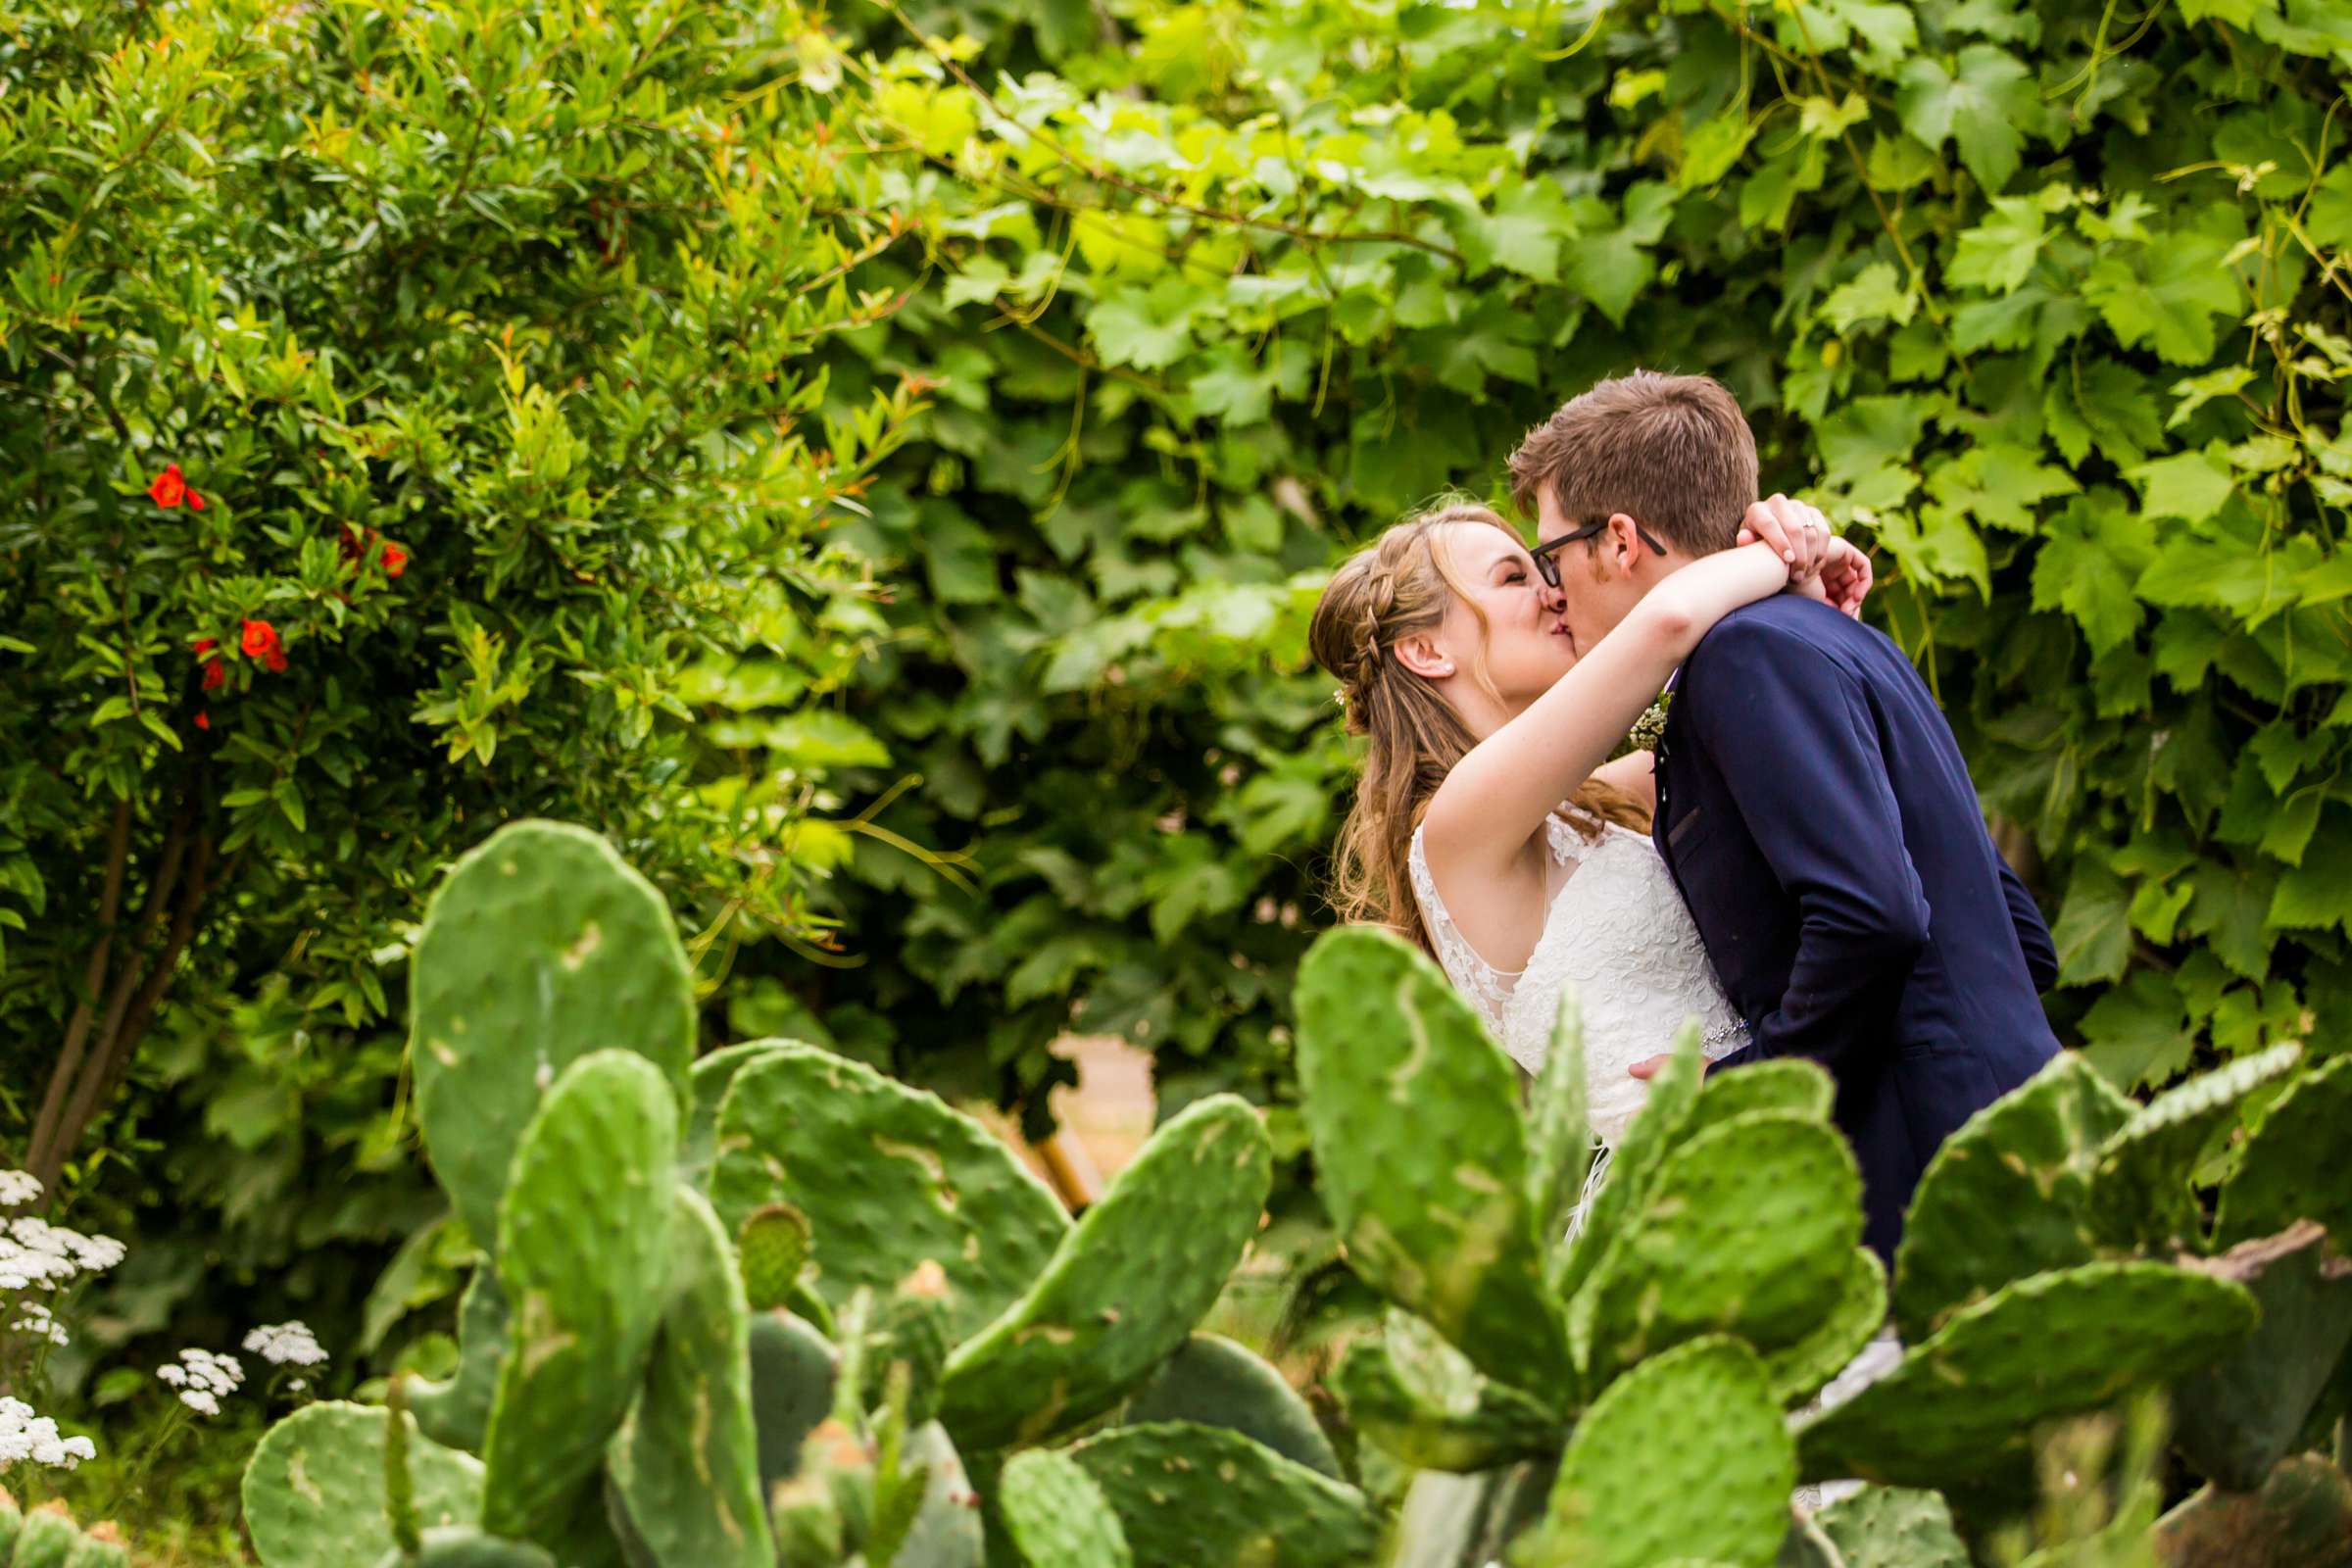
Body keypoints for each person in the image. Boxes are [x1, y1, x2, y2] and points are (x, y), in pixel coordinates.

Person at [1511, 371, 2060, 1265]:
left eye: (1551, 559)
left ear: (1618, 542)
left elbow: (1875, 914)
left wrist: (1746, 1088)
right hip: (2016, 1128)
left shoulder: (1744, 658)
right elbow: (2019, 938)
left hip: (1930, 1171)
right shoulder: (1839, 640)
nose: (1553, 593)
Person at [1307, 493, 1868, 1159]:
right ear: (1426, 650)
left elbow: (1745, 736)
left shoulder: (1593, 804)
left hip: (1784, 1136)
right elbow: (1669, 621)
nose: (1554, 591)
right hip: (1686, 1189)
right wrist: (1786, 548)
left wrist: (1802, 591)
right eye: (1515, 577)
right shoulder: (1454, 828)